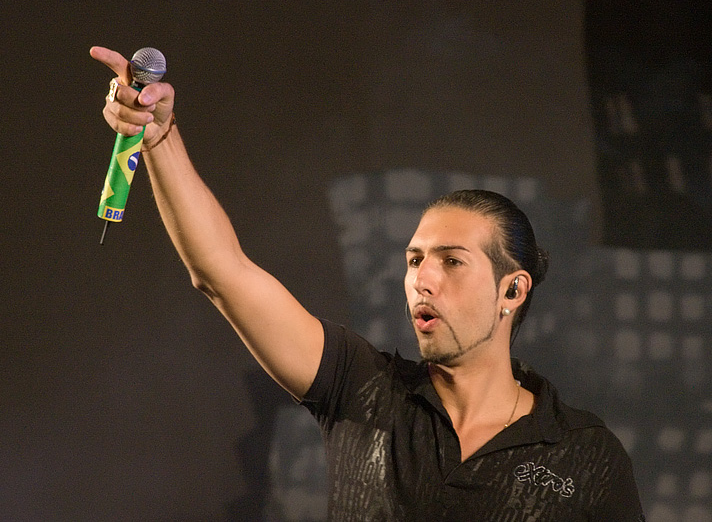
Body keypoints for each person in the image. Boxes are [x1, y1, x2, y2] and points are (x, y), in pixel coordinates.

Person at [90, 46, 644, 520]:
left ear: (513, 291)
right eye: (414, 260)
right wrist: (159, 138)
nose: (423, 279)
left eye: (452, 261)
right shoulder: (365, 391)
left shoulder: (585, 455)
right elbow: (221, 271)